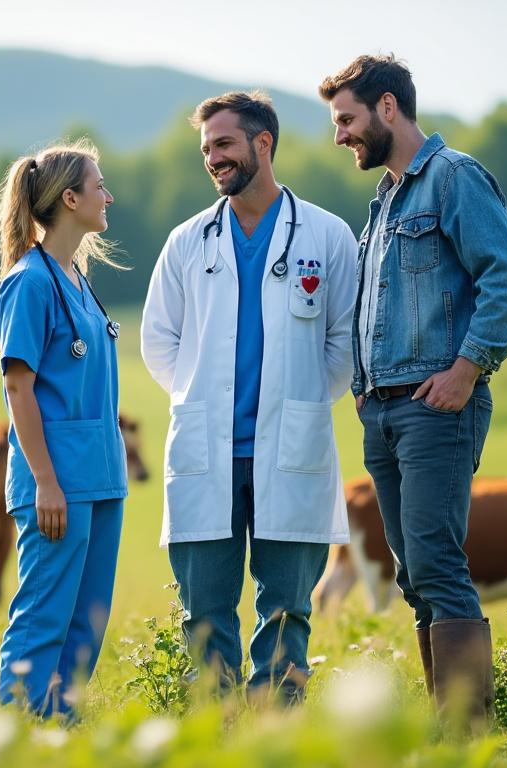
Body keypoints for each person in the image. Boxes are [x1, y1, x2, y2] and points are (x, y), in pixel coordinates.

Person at [318, 55, 507, 719]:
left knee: (437, 562)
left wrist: (468, 368)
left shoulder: (453, 178)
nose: (340, 136)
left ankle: (470, 729)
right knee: (412, 571)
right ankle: (453, 720)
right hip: (382, 413)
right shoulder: (384, 199)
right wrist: (362, 387)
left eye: (347, 119)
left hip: (436, 408)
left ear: (388, 107)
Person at [140, 91, 357, 705]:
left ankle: (277, 729)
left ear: (263, 144)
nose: (213, 158)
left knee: (287, 610)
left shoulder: (326, 234)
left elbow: (345, 341)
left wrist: (306, 401)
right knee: (204, 613)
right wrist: (201, 395)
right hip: (208, 448)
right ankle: (216, 730)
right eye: (207, 148)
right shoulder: (188, 242)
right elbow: (159, 341)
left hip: (293, 446)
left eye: (224, 144)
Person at [0, 140, 128, 720]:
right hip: (57, 483)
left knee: (86, 623)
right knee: (44, 616)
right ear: (70, 199)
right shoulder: (30, 282)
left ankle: (58, 730)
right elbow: (18, 389)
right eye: (99, 186)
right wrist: (45, 482)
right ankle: (14, 734)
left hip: (100, 477)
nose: (108, 196)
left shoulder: (77, 279)